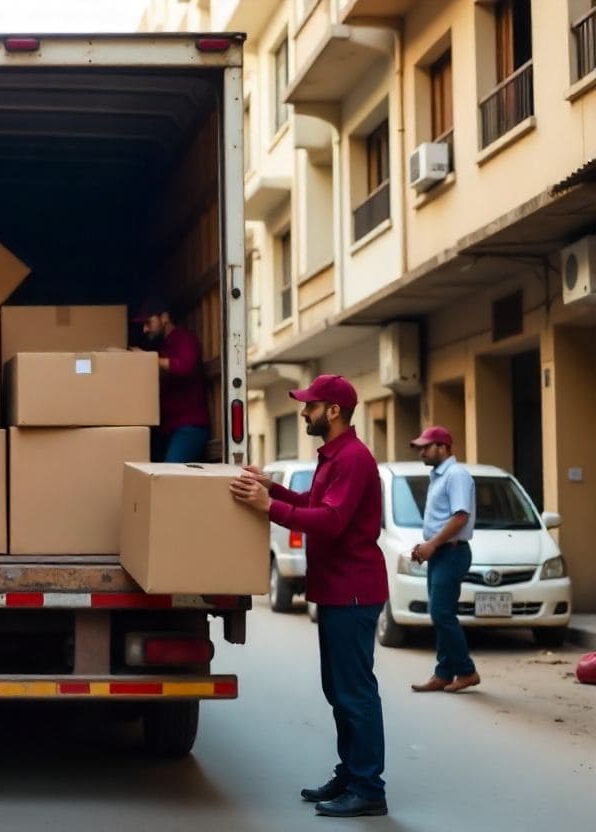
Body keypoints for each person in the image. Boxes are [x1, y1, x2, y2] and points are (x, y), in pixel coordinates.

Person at [229, 374, 389, 818]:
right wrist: (271, 489)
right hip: (336, 590)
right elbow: (313, 502)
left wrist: (268, 508)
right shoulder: (334, 456)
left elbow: (332, 521)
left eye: (310, 406)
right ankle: (351, 773)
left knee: (355, 692)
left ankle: (369, 788)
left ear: (332, 411)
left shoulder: (353, 459)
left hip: (353, 592)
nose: (303, 412)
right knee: (337, 690)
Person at [408, 426, 480, 694]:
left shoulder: (456, 475)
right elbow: (441, 519)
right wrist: (427, 545)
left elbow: (460, 516)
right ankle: (444, 673)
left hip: (452, 552)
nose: (422, 452)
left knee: (441, 613)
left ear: (444, 447)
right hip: (441, 552)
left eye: (426, 447)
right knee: (440, 614)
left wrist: (434, 544)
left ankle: (466, 671)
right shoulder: (438, 476)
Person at [131, 298, 210, 462]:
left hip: (189, 427)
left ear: (164, 317)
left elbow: (185, 366)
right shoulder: (164, 346)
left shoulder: (184, 339)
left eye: (148, 322)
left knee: (168, 473)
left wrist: (148, 359)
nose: (145, 329)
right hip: (169, 428)